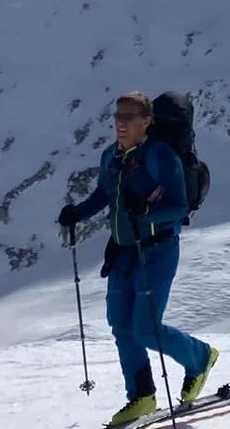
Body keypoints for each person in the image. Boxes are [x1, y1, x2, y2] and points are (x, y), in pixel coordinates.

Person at [58, 92, 220, 427]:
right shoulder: (111, 156)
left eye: (130, 116)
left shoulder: (160, 156)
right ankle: (142, 396)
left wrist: (147, 210)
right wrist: (77, 213)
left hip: (158, 250)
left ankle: (200, 357)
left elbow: (179, 206)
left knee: (146, 328)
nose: (122, 122)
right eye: (118, 116)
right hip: (123, 251)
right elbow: (105, 194)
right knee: (121, 325)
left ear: (147, 121)